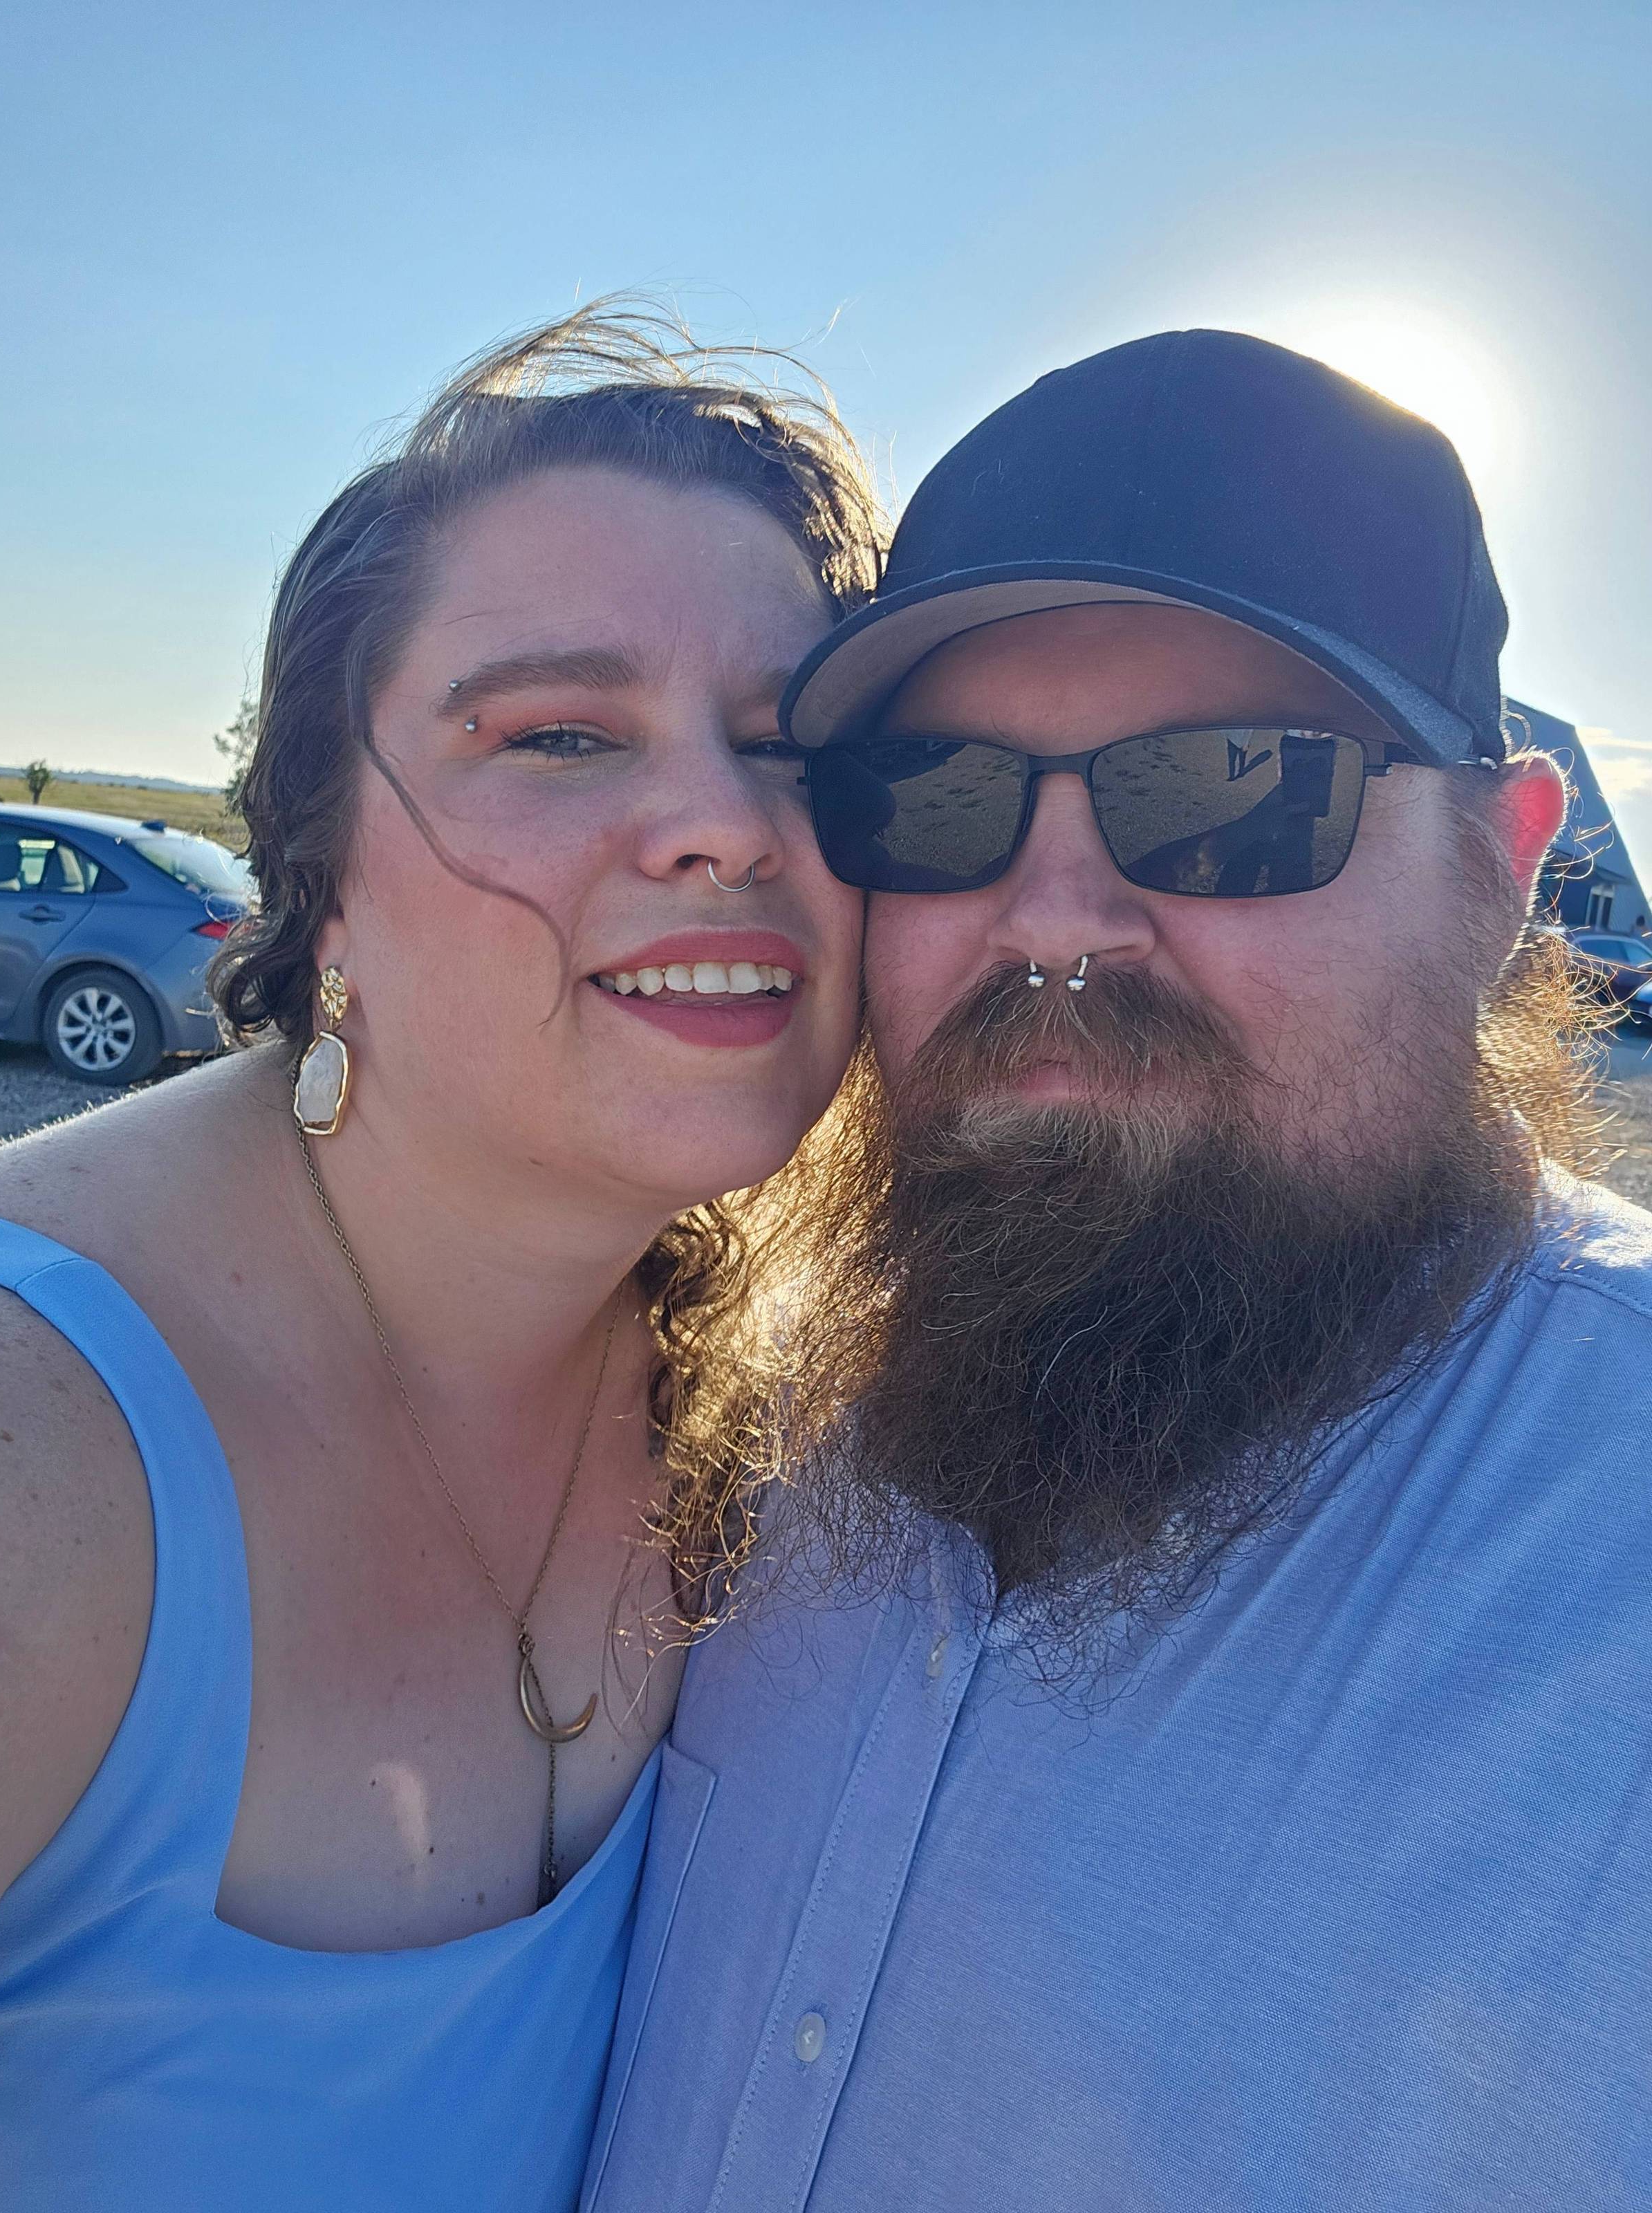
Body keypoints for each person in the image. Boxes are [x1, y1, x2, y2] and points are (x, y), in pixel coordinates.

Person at [584, 332, 1652, 2210]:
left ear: (1502, 868)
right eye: (940, 797)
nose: (1053, 921)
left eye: (1237, 792)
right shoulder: (736, 1412)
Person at [0, 306, 880, 2209]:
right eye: (557, 735)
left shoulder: (772, 1412)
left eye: (797, 749)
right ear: (321, 871)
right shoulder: (34, 1448)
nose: (727, 826)